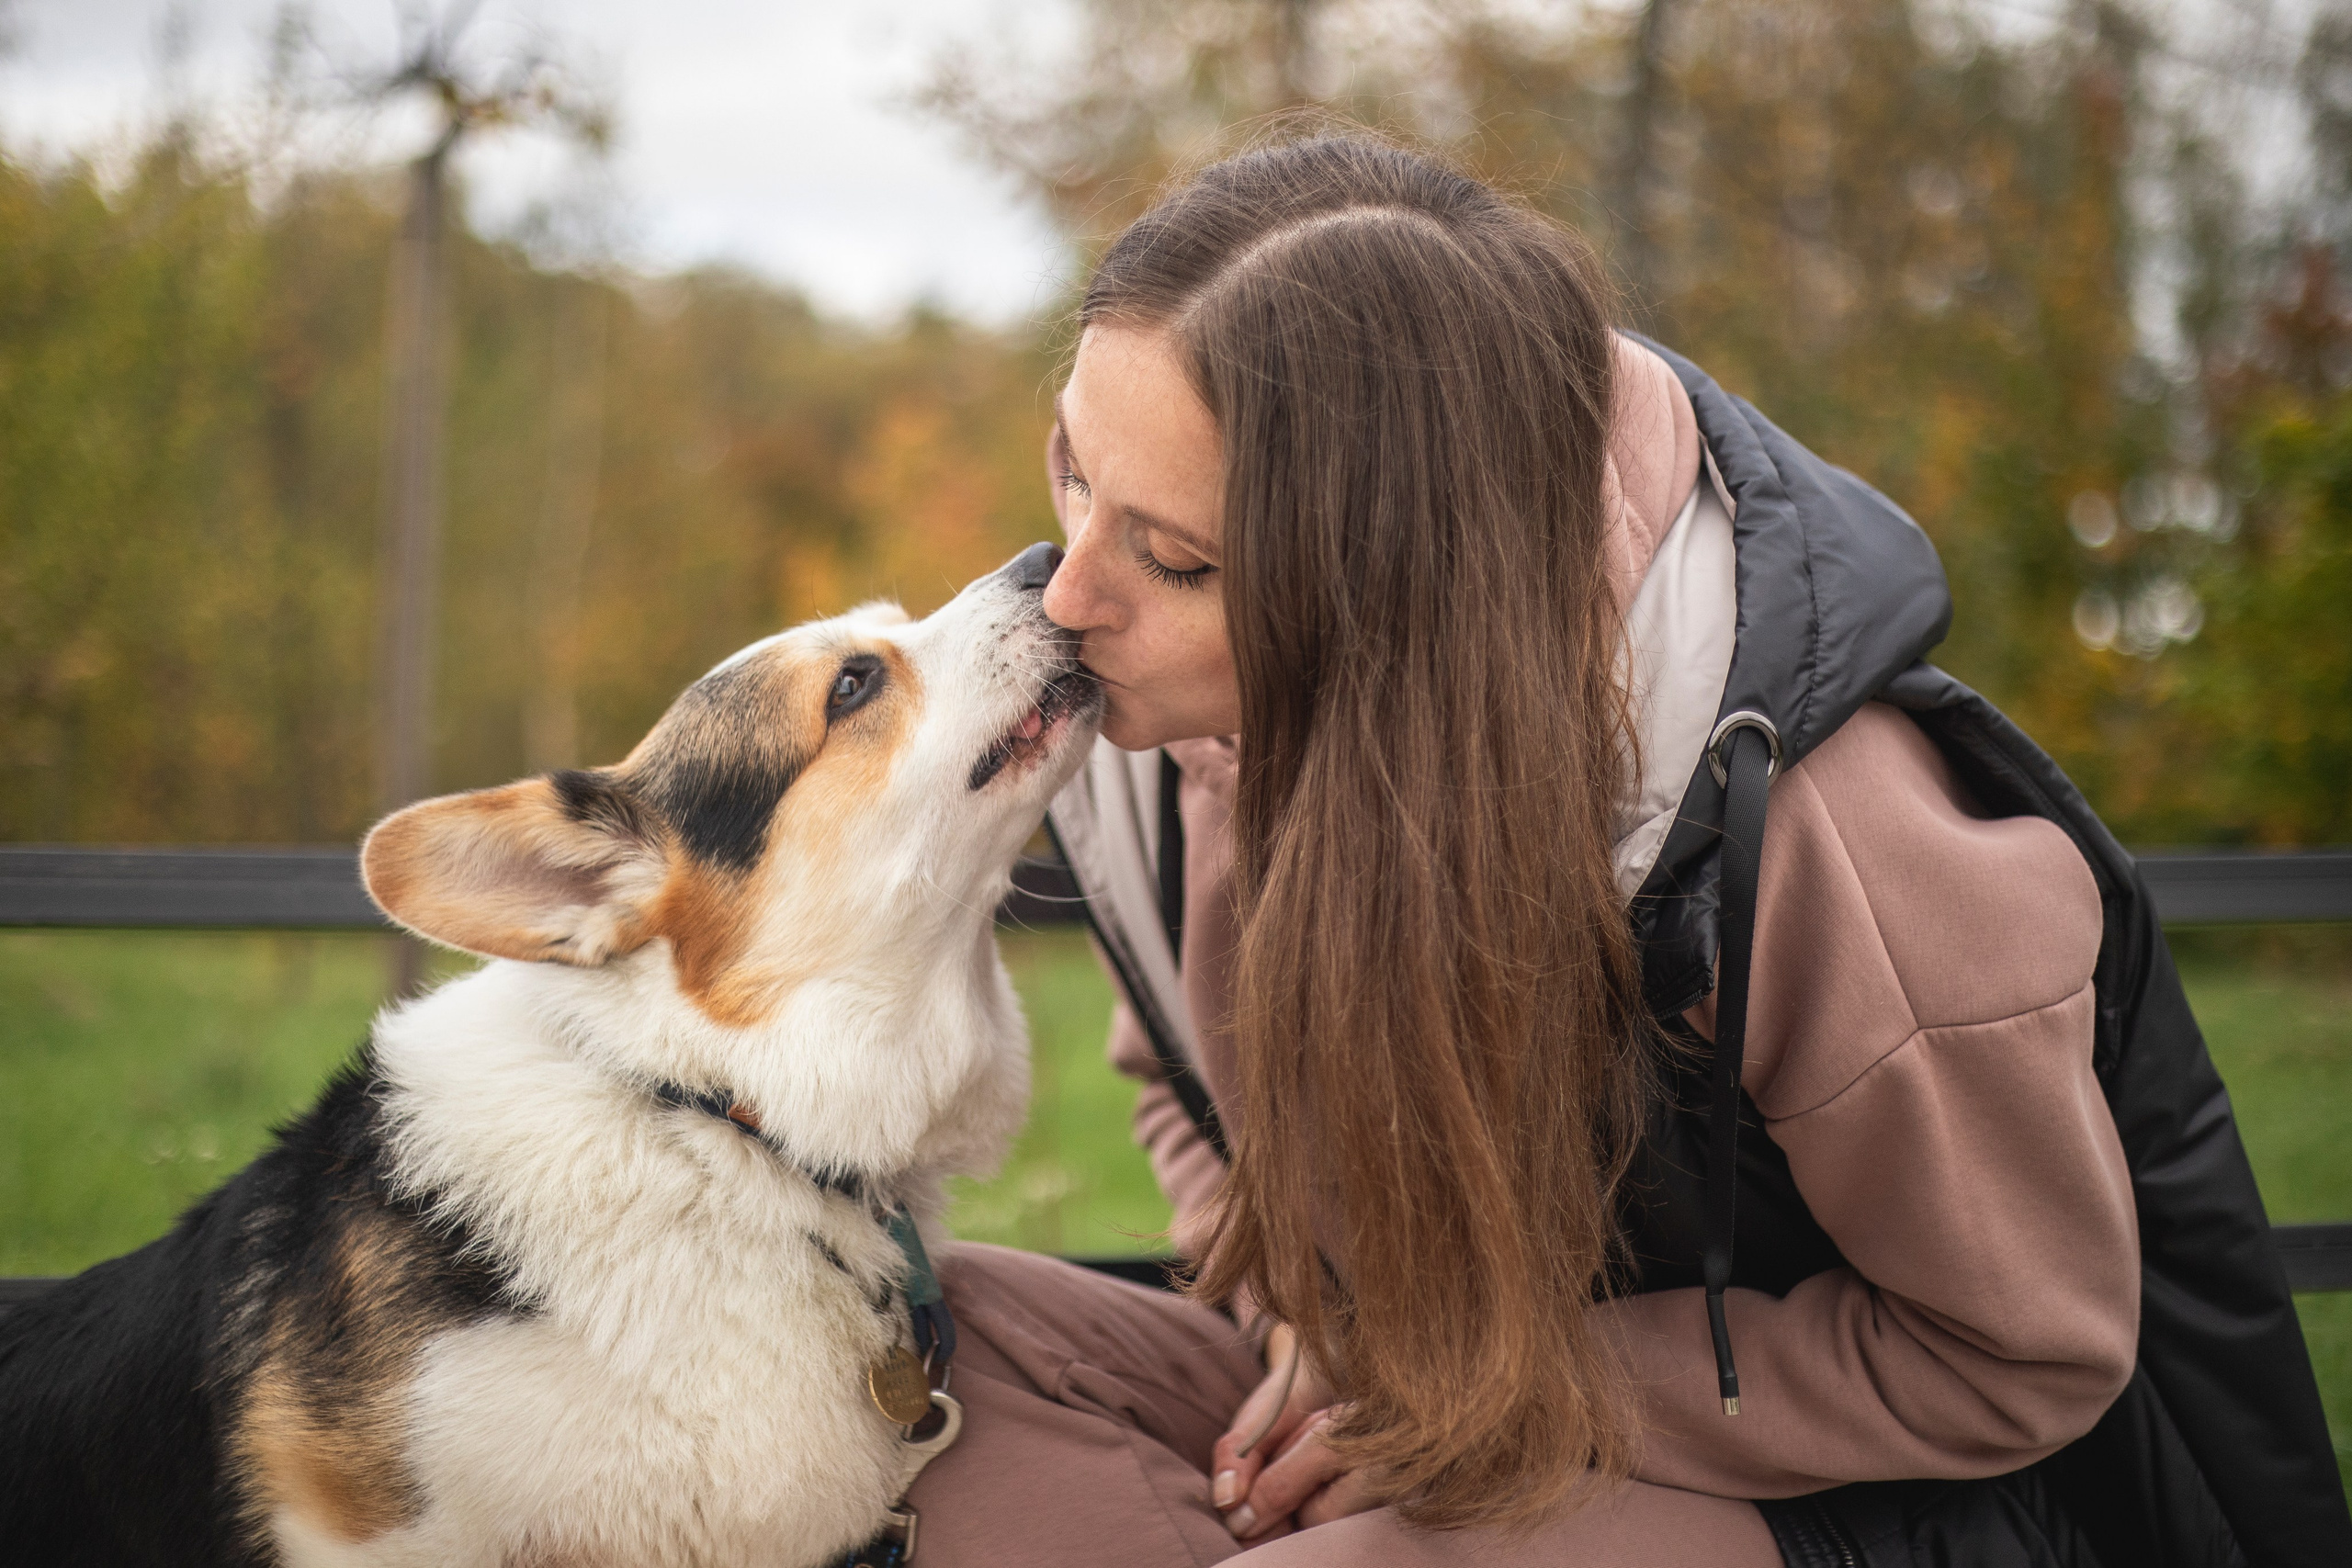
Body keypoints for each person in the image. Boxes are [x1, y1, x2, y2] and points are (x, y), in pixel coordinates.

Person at [897, 132, 2348, 1567]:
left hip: (1906, 1492)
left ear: (1386, 586)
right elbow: (1185, 1078)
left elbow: (2023, 1354)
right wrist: (1303, 1323)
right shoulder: (1142, 708)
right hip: (1441, 1390)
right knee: (903, 1363)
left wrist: (1499, 1414)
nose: (1064, 598)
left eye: (1177, 559)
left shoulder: (1815, 834)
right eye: (1076, 473)